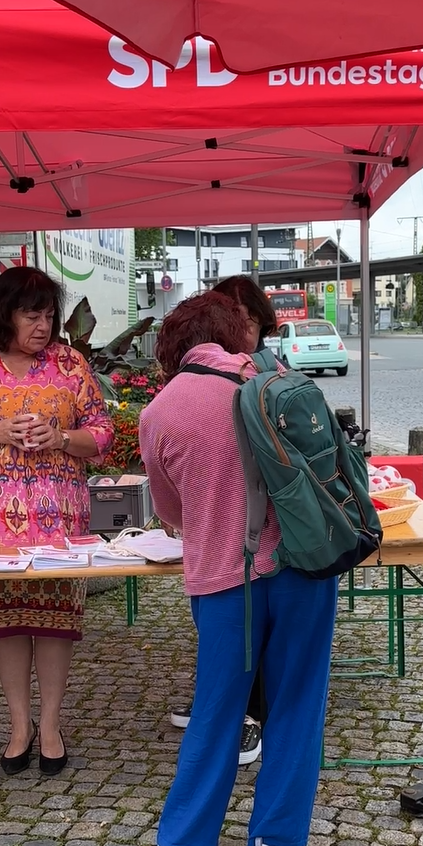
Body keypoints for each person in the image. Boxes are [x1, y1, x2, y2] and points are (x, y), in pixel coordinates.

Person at [139, 291, 337, 846]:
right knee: (297, 703)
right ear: (238, 334)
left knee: (217, 707)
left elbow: (171, 509)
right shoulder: (275, 386)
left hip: (223, 580)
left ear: (174, 348)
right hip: (300, 567)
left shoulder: (159, 412)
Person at [0, 266, 114, 777]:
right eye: (33, 314)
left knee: (55, 623)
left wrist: (59, 438)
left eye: (50, 314)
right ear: (4, 313)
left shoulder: (70, 364)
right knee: (6, 623)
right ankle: (19, 726)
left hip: (60, 521)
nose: (44, 325)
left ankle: (50, 725)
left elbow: (103, 434)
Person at [170, 276, 278, 767]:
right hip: (245, 548)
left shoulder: (270, 379)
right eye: (236, 320)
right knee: (231, 636)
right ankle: (229, 708)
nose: (243, 330)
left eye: (250, 320)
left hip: (263, 548)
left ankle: (246, 716)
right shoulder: (194, 392)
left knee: (247, 630)